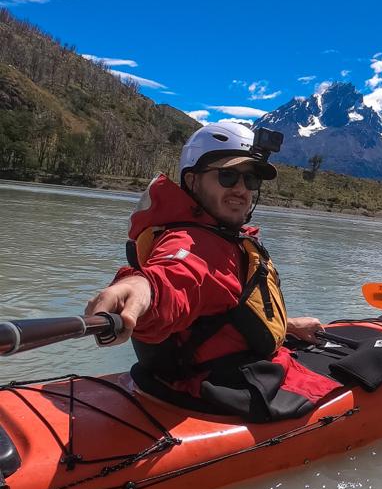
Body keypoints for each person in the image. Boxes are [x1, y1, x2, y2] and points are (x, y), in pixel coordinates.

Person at [84, 122, 340, 422]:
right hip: (224, 389)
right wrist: (140, 291)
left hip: (199, 374)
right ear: (192, 181)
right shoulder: (192, 243)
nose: (241, 190)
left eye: (251, 179)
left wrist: (288, 326)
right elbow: (172, 279)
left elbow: (222, 305)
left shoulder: (219, 236)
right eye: (228, 175)